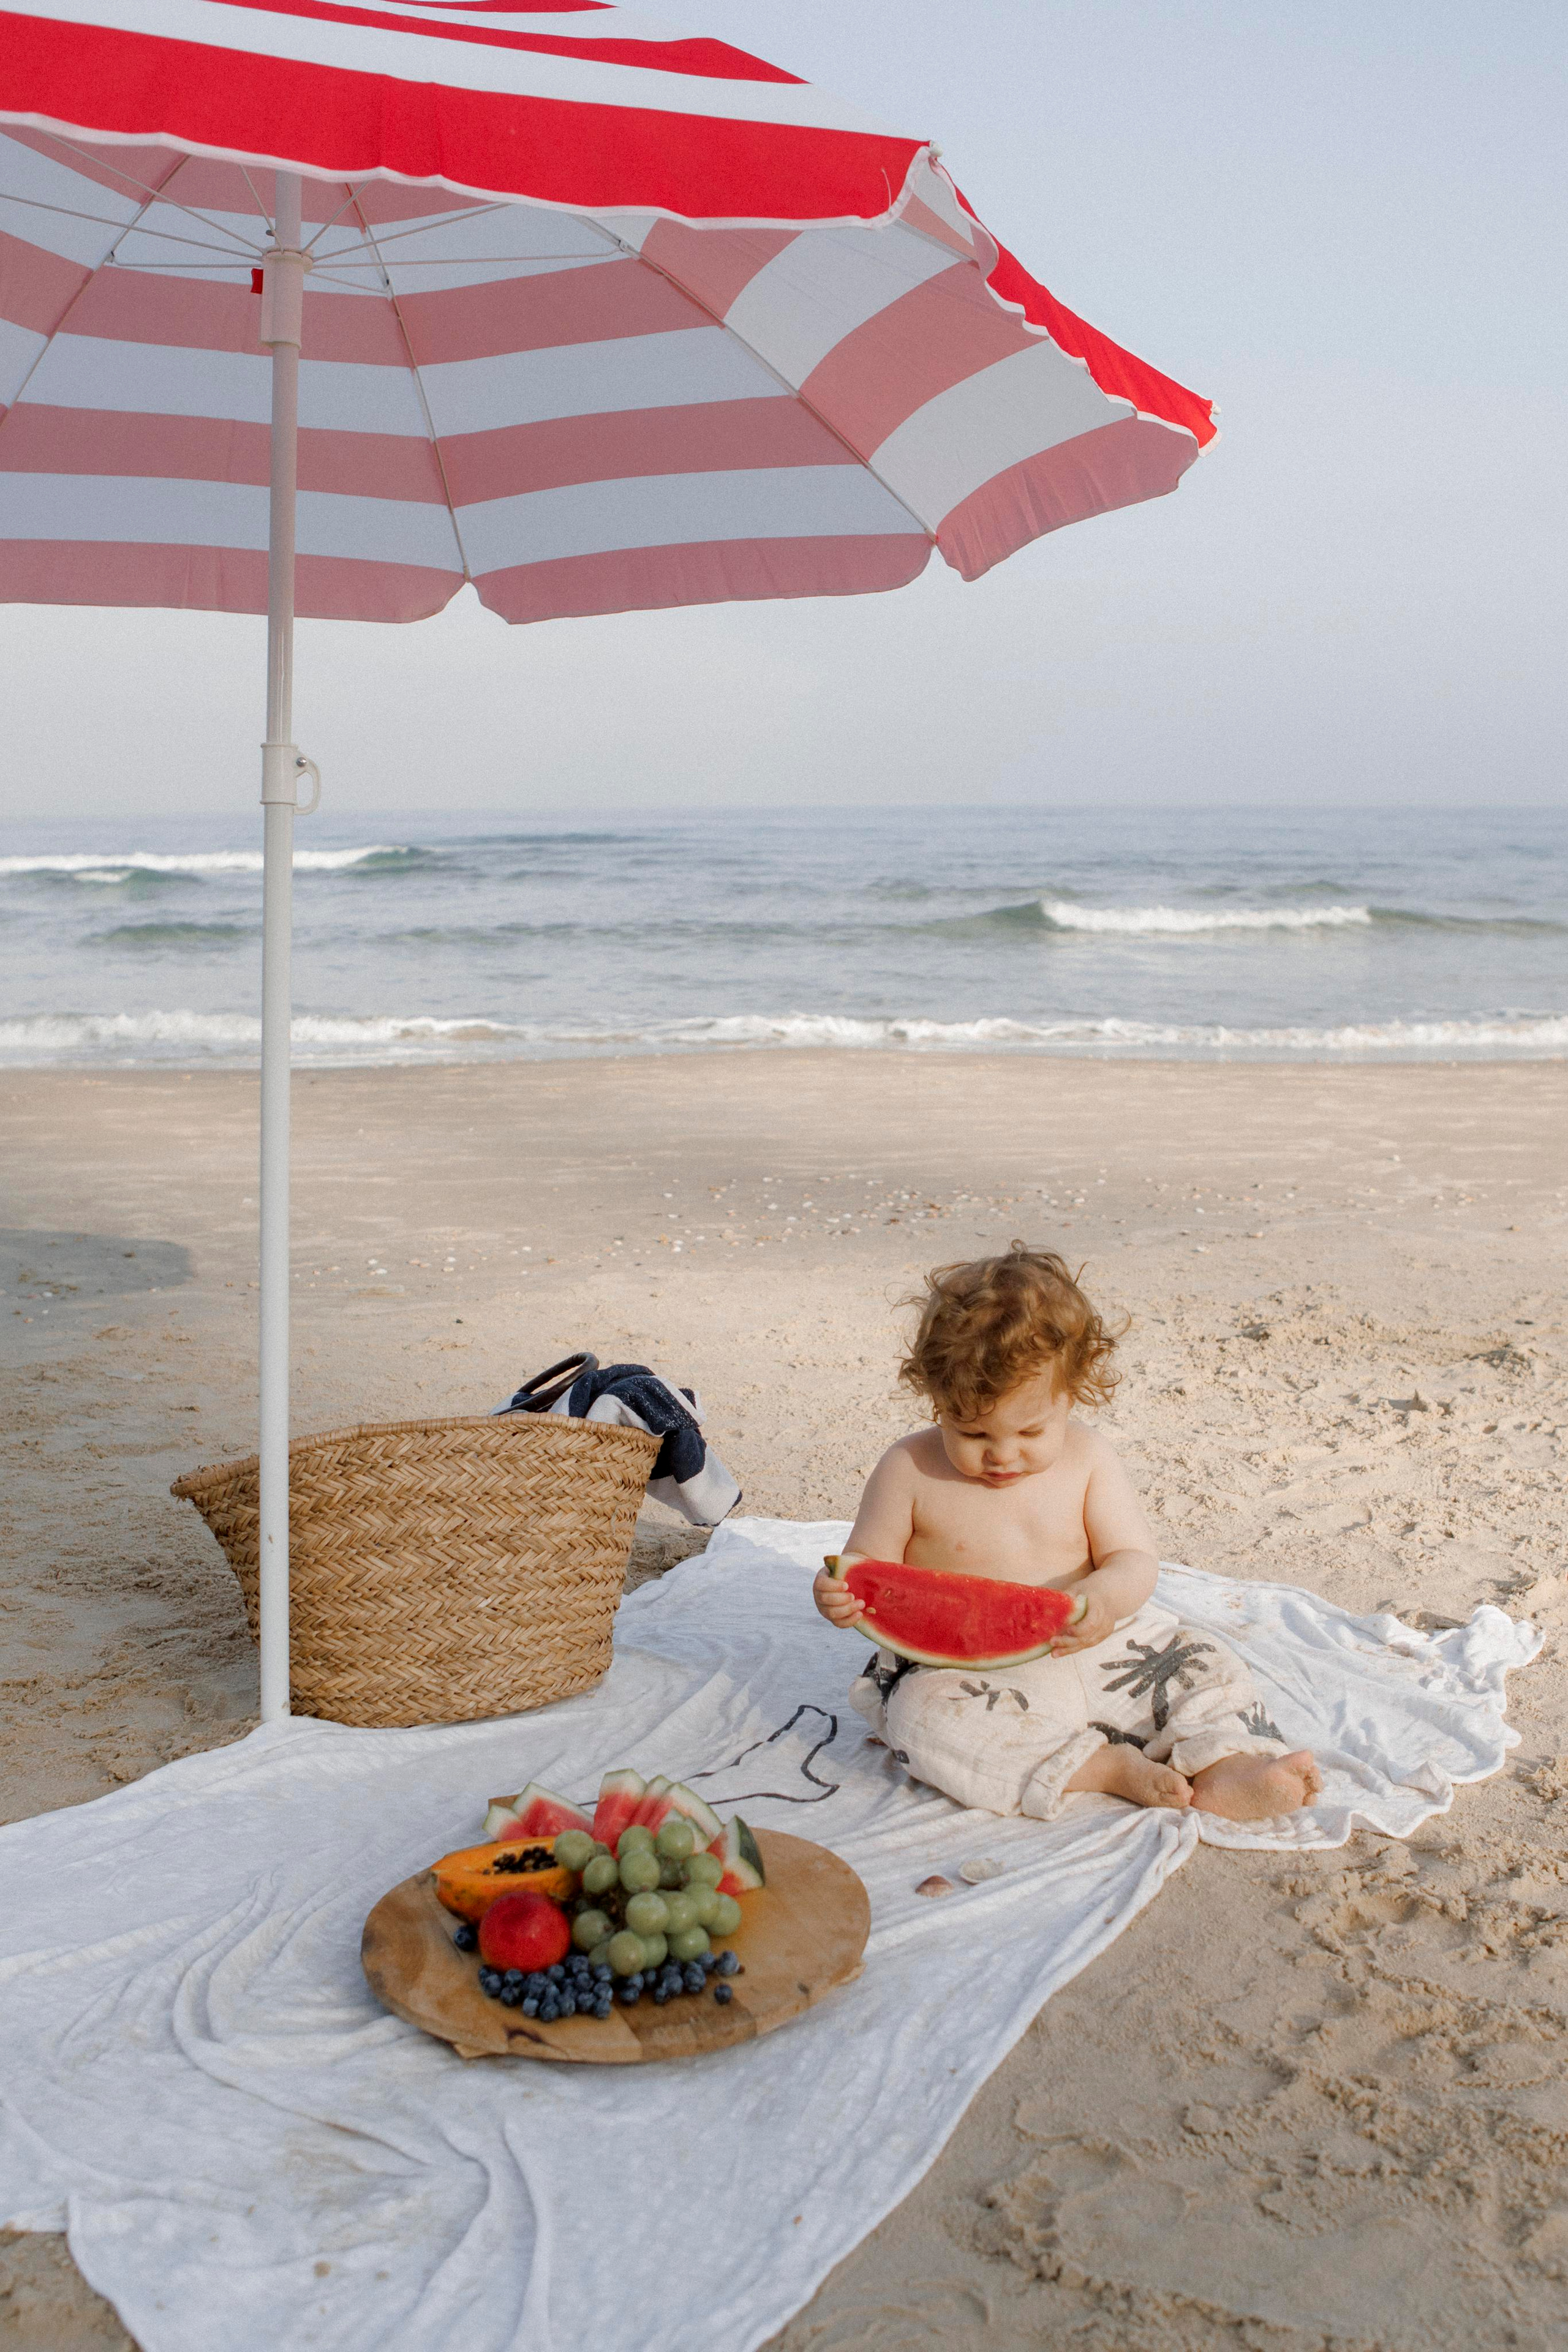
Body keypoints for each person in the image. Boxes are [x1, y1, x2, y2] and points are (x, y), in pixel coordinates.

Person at [813, 1246, 1322, 1823]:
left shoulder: (1089, 1458)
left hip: (1103, 1644)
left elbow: (1131, 1557)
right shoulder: (908, 1468)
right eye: (972, 1430)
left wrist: (1104, 1600)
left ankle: (1227, 1764)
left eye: (1030, 1429)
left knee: (1206, 1662)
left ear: (1072, 1393)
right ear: (936, 1400)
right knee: (920, 1717)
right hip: (971, 1676)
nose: (1002, 1455)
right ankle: (1097, 1768)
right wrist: (838, 1592)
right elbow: (867, 1565)